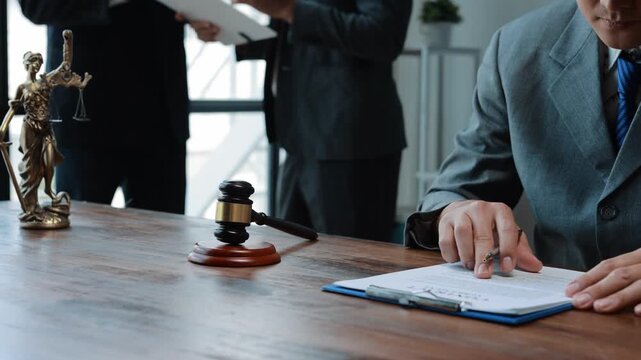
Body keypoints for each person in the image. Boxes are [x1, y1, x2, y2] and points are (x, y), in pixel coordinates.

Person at [405, 0, 641, 316]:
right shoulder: (517, 48)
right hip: (555, 319)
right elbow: (457, 189)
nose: (612, 3)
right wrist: (457, 213)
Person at [180, 0, 412, 242]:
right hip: (297, 137)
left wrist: (288, 9)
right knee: (291, 260)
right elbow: (299, 42)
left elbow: (383, 36)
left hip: (350, 143)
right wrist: (230, 31)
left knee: (350, 265)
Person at [19, 0, 189, 214]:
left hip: (163, 114)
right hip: (88, 116)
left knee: (167, 242)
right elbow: (35, 6)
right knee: (80, 242)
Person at [0, 30, 90, 226]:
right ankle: (31, 208)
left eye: (39, 63)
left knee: (48, 162)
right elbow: (13, 109)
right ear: (26, 65)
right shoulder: (23, 88)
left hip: (46, 129)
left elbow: (65, 65)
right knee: (31, 169)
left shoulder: (46, 81)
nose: (37, 66)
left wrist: (68, 42)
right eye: (33, 63)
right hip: (30, 130)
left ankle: (49, 191)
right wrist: (2, 129)